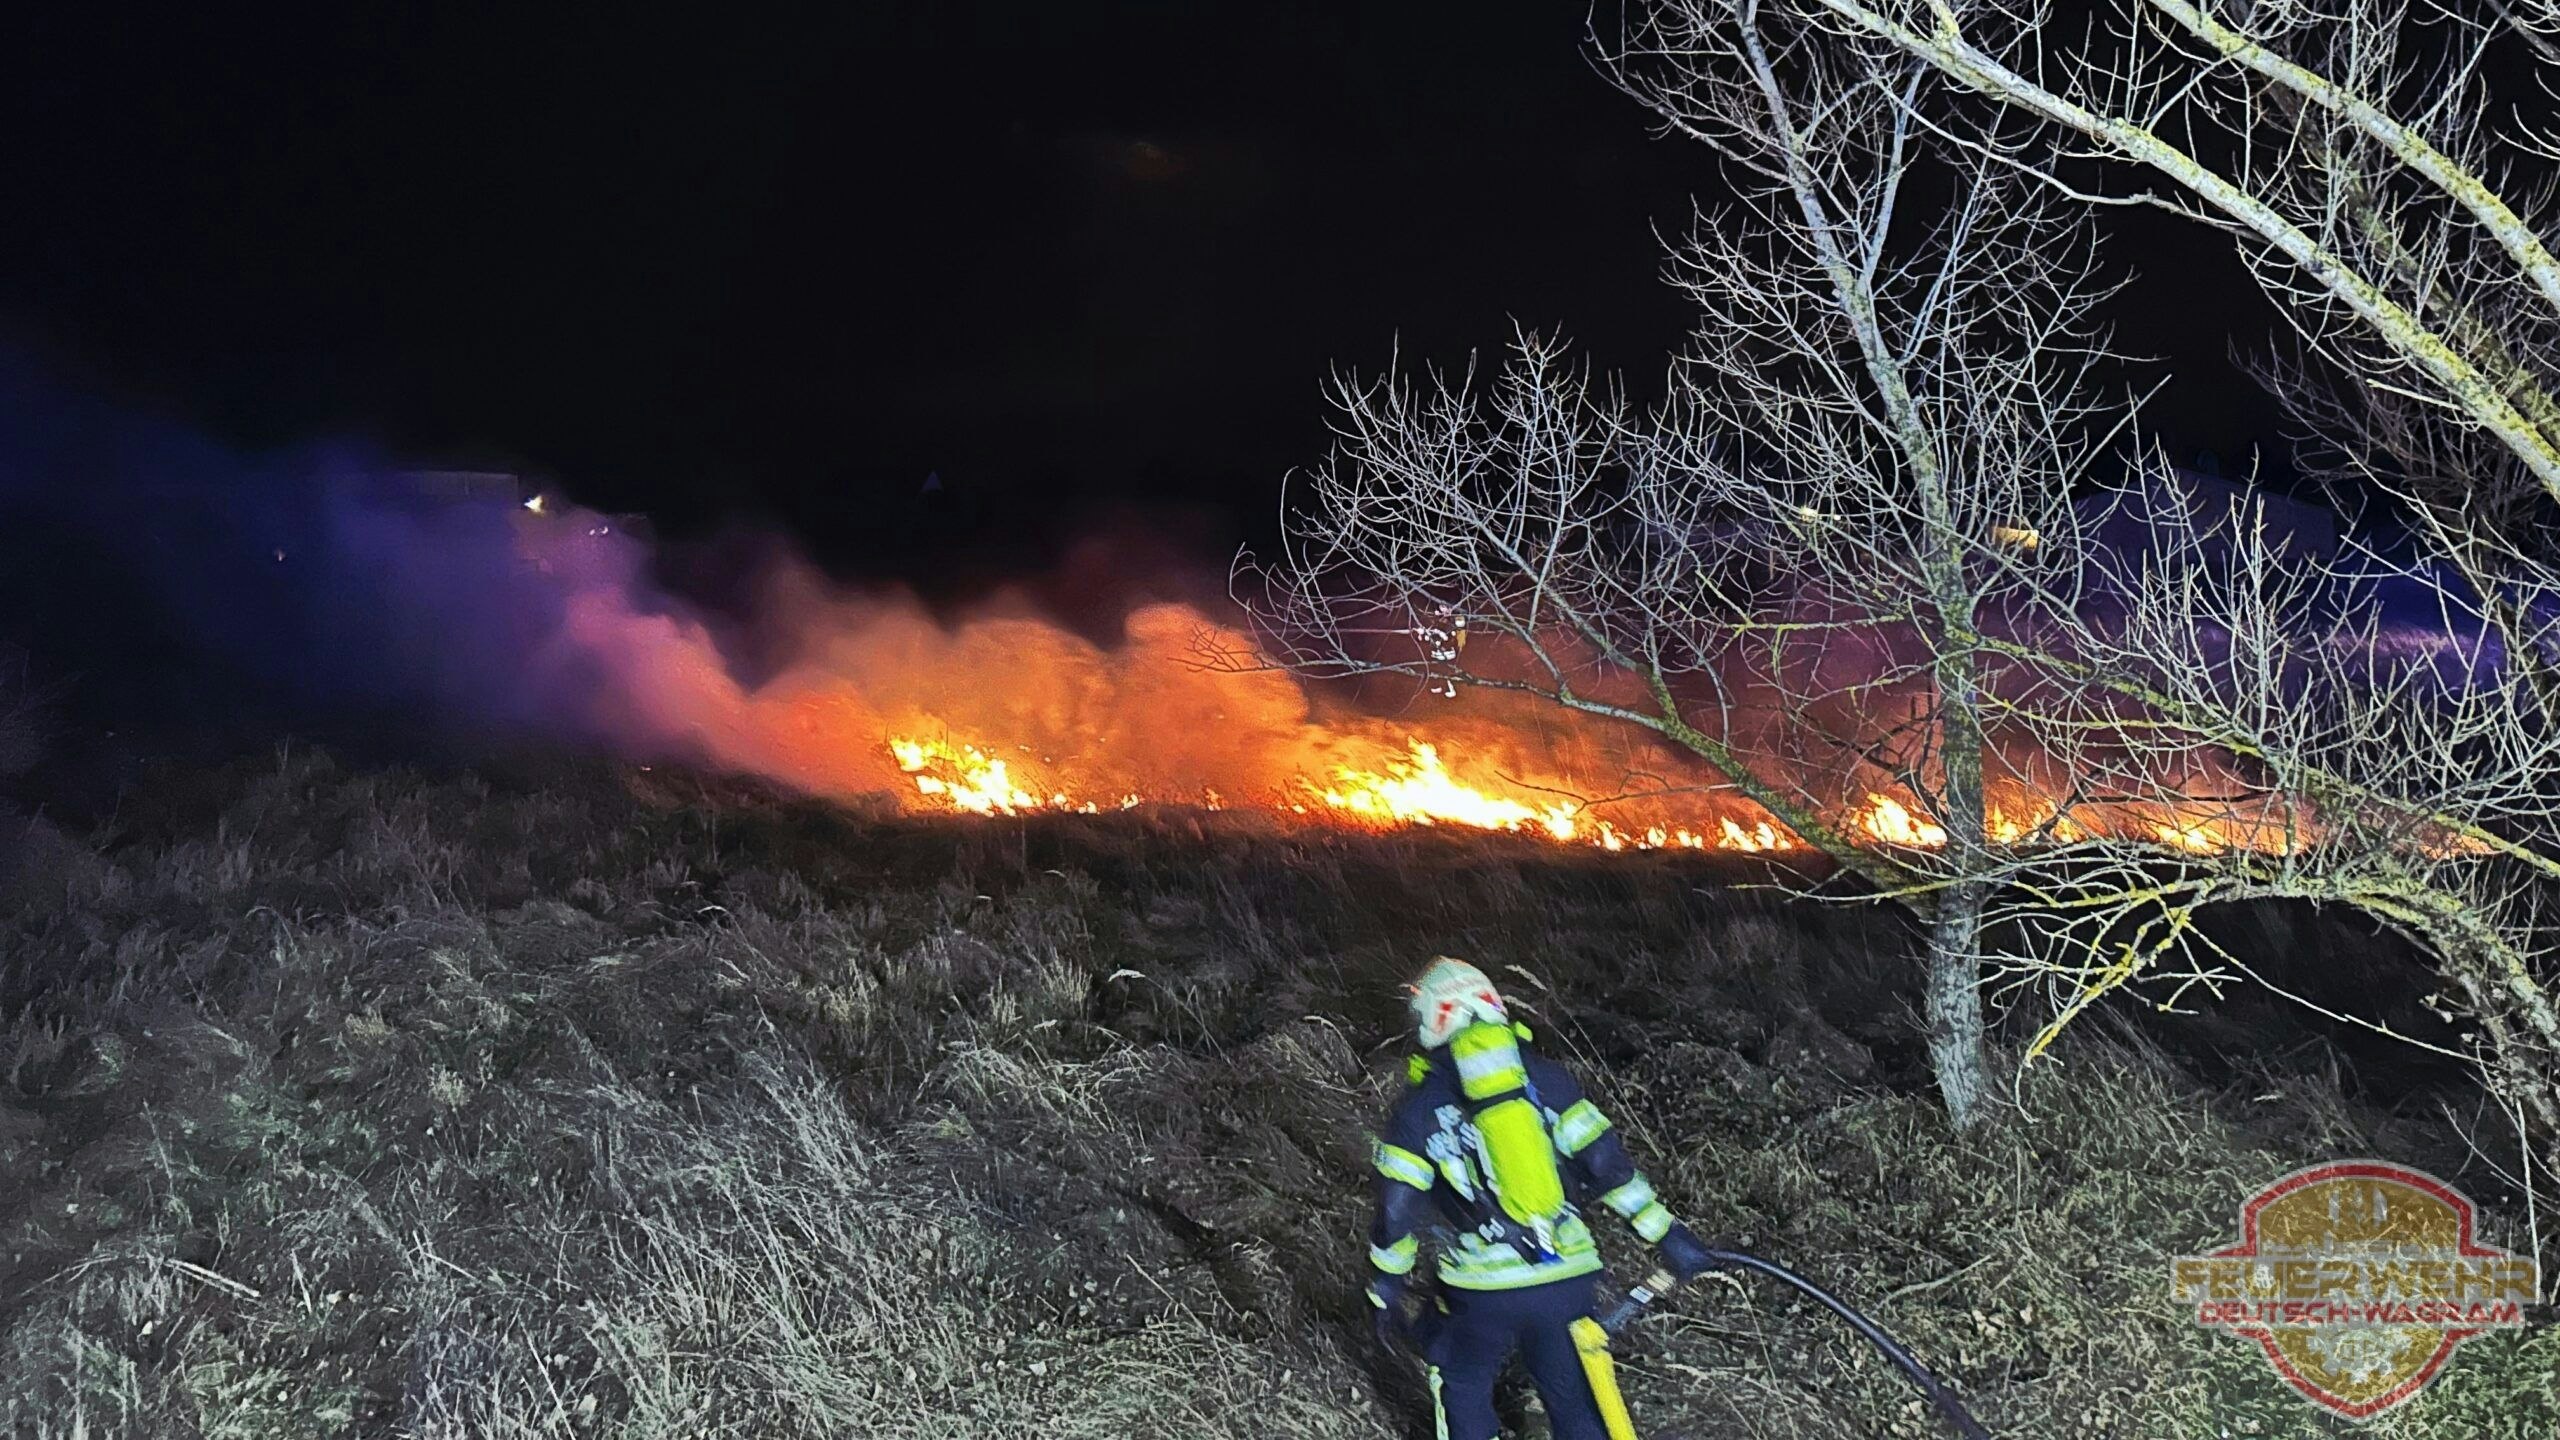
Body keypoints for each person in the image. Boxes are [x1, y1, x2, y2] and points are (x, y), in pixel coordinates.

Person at [1366, 957, 1720, 1440]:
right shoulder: (1548, 1080)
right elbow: (1607, 1166)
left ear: (1431, 1019)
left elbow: (1396, 1213)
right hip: (1566, 1278)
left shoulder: (1417, 1108)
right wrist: (1667, 1234)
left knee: (1462, 1382)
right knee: (1575, 1402)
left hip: (1479, 1294)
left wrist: (1386, 1287)